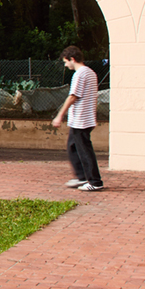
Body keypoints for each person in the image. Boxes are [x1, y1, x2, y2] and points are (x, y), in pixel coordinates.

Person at [51, 45, 103, 191]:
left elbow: (73, 96)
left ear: (72, 59)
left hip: (81, 119)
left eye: (66, 62)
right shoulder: (91, 73)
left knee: (84, 151)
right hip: (84, 118)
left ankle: (95, 181)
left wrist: (59, 115)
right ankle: (82, 177)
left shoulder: (80, 74)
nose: (66, 65)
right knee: (73, 147)